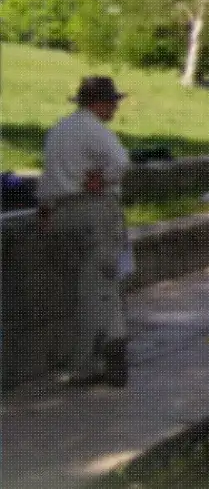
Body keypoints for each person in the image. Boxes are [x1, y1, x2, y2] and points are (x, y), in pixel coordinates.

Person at [36, 76, 132, 387]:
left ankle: (101, 353)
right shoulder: (94, 129)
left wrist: (47, 208)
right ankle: (106, 347)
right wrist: (102, 181)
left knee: (88, 286)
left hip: (62, 214)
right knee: (99, 284)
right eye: (113, 103)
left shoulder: (58, 131)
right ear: (100, 103)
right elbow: (121, 161)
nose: (116, 108)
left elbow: (47, 179)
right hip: (95, 210)